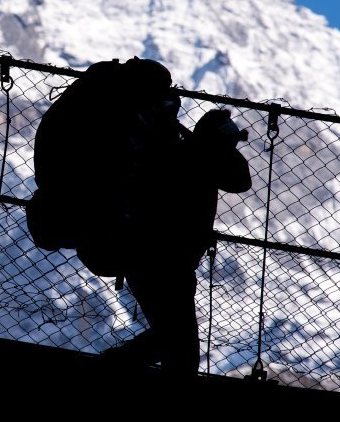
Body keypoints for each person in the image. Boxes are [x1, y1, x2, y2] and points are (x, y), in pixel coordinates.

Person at [103, 107, 252, 380]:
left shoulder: (187, 154)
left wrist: (207, 141)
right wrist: (215, 144)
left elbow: (239, 180)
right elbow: (240, 180)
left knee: (173, 338)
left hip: (154, 261)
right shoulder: (195, 160)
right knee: (179, 345)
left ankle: (114, 365)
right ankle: (113, 367)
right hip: (163, 264)